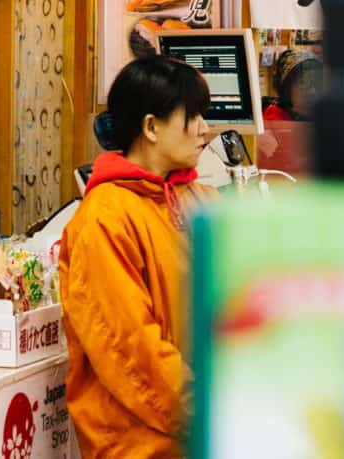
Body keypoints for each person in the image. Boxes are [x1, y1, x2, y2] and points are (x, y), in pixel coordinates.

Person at [59, 56, 215, 458]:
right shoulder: (104, 218)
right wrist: (206, 416)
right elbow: (130, 347)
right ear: (150, 127)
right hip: (142, 444)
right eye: (192, 116)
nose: (205, 129)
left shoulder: (197, 198)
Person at [263, 50, 324, 122]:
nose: (312, 91)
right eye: (302, 82)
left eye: (315, 82)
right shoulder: (275, 119)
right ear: (286, 88)